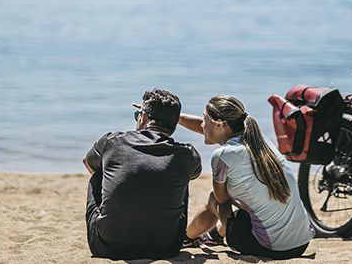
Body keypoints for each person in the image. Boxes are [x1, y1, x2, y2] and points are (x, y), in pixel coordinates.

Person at [178, 95, 313, 259]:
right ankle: (214, 237)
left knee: (214, 200)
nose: (202, 124)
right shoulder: (259, 141)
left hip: (269, 248)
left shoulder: (222, 155)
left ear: (220, 125)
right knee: (250, 206)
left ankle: (186, 238)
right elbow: (210, 131)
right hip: (301, 244)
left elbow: (221, 200)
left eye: (204, 119)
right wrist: (176, 117)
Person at [83, 89, 201, 260]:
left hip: (106, 246)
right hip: (166, 247)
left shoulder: (112, 142)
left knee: (97, 174)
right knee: (181, 176)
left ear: (143, 117)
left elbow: (87, 163)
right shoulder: (187, 154)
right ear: (176, 123)